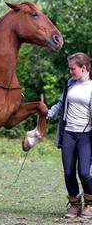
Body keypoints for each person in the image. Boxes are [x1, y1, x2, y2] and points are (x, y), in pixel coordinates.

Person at [47, 52, 92, 219]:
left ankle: (90, 203)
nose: (70, 72)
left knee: (84, 173)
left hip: (86, 135)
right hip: (69, 134)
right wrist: (49, 114)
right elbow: (60, 103)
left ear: (83, 68)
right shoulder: (70, 83)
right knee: (68, 172)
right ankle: (74, 204)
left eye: (72, 69)